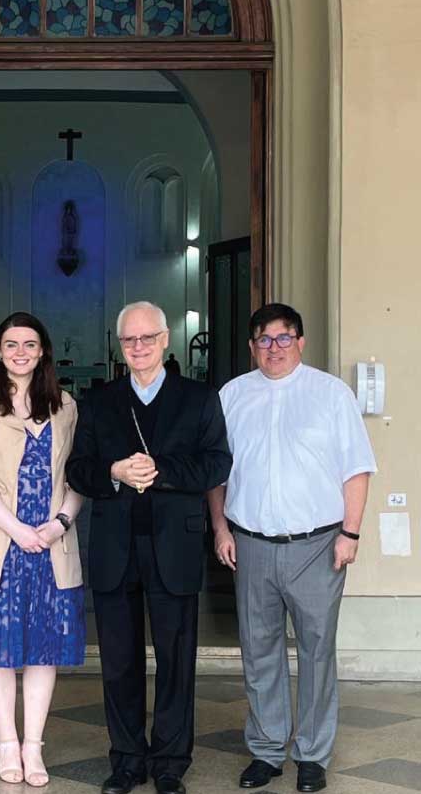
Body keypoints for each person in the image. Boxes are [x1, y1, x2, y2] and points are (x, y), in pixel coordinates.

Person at [207, 303, 376, 794]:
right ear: (252, 345)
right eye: (263, 339)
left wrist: (351, 533)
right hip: (251, 544)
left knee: (318, 650)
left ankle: (312, 755)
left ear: (300, 342)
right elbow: (218, 473)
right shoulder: (232, 395)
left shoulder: (330, 394)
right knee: (259, 651)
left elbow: (356, 469)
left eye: (283, 338)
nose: (273, 348)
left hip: (318, 546)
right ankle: (265, 749)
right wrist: (220, 528)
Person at [66, 301, 232, 794]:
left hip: (174, 549)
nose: (138, 347)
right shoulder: (99, 401)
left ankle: (170, 763)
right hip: (115, 549)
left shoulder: (199, 399)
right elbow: (78, 469)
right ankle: (126, 760)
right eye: (129, 340)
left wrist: (159, 471)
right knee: (118, 661)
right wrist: (114, 472)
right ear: (121, 348)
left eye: (147, 338)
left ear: (165, 341)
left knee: (176, 661)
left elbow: (216, 465)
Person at [0, 312, 85, 787]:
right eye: (11, 344)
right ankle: (7, 742)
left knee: (43, 651)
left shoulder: (65, 406)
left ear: (44, 351)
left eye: (30, 344)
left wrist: (57, 524)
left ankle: (35, 747)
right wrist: (17, 530)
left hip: (51, 547)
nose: (20, 352)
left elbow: (78, 477)